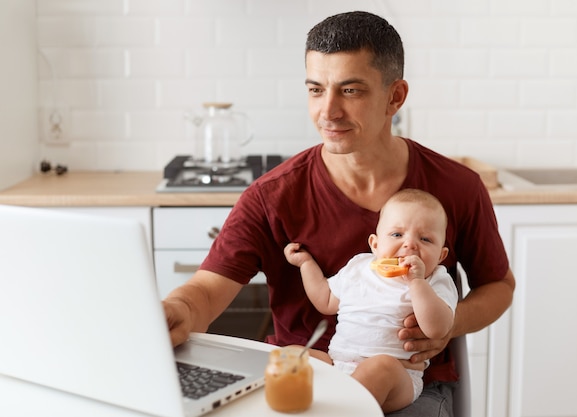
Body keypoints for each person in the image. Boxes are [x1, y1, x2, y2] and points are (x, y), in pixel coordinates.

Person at [163, 10, 515, 417]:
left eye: (350, 91)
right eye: (316, 90)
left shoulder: (457, 187)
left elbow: (498, 286)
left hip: (408, 389)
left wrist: (448, 323)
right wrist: (179, 309)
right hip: (305, 381)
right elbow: (206, 291)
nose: (327, 112)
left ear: (395, 98)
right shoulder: (271, 195)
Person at [284, 189, 458, 413]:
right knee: (294, 355)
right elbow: (325, 299)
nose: (410, 245)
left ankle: (341, 411)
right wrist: (305, 264)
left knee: (379, 366)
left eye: (425, 239)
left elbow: (437, 328)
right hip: (338, 364)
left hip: (398, 376)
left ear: (441, 255)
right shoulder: (359, 266)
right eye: (397, 235)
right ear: (375, 245)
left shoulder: (435, 280)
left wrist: (416, 282)